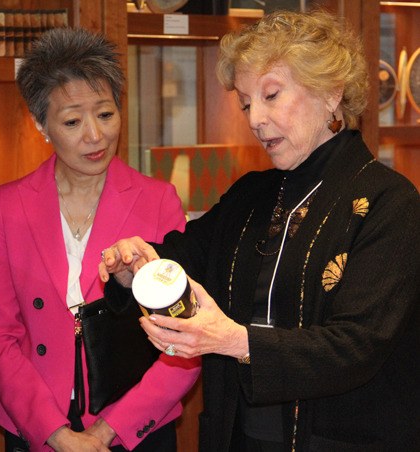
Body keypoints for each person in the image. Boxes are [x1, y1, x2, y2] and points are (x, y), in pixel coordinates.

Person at [99, 10, 420, 451]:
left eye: (271, 95)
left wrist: (235, 341)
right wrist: (133, 269)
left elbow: (356, 345)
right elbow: (183, 258)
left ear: (331, 93)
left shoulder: (390, 202)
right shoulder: (251, 195)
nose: (254, 119)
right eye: (247, 103)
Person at [0, 27, 200, 452]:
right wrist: (57, 435)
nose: (95, 136)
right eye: (72, 121)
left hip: (133, 429)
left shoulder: (158, 201)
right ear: (41, 125)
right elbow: (0, 339)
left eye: (105, 114)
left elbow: (184, 340)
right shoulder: (8, 206)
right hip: (37, 426)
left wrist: (106, 432)